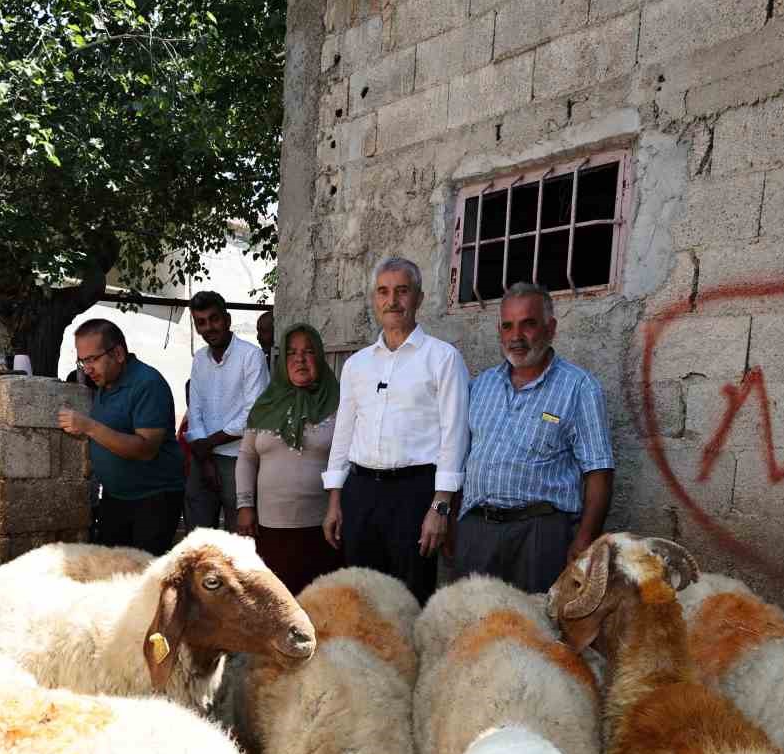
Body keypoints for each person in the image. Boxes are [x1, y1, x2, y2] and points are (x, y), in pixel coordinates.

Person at [452, 283, 615, 594]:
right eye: (508, 326)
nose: (516, 336)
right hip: (477, 531)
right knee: (471, 628)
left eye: (528, 324)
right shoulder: (480, 386)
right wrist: (450, 523)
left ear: (550, 328)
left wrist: (584, 539)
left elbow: (599, 472)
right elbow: (459, 460)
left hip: (540, 536)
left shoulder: (579, 387)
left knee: (536, 631)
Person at [322, 257, 468, 604]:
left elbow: (455, 435)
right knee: (361, 594)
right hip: (361, 494)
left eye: (402, 291)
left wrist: (440, 507)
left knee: (410, 596)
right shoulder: (358, 364)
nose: (393, 301)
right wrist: (334, 500)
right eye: (384, 292)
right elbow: (344, 432)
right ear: (375, 299)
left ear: (418, 297)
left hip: (415, 495)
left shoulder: (443, 359)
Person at [57, 318, 185, 556]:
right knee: (111, 573)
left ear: (118, 353)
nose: (87, 369)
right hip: (116, 497)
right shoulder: (105, 383)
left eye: (92, 359)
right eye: (82, 361)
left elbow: (146, 449)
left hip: (153, 499)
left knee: (142, 577)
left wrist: (89, 427)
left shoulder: (147, 384)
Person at [235, 323, 343, 594]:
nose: (300, 359)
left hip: (322, 528)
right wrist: (245, 505)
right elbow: (247, 457)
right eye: (292, 353)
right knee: (275, 604)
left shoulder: (339, 402)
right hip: (269, 528)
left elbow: (347, 460)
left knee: (319, 604)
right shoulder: (265, 405)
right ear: (283, 360)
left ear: (319, 357)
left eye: (308, 352)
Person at [183, 290, 267, 532]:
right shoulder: (199, 359)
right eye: (201, 322)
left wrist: (208, 444)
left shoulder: (251, 356)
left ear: (227, 319)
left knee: (239, 539)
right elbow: (195, 409)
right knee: (198, 540)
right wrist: (206, 455)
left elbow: (254, 415)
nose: (209, 327)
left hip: (239, 457)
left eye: (214, 319)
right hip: (203, 459)